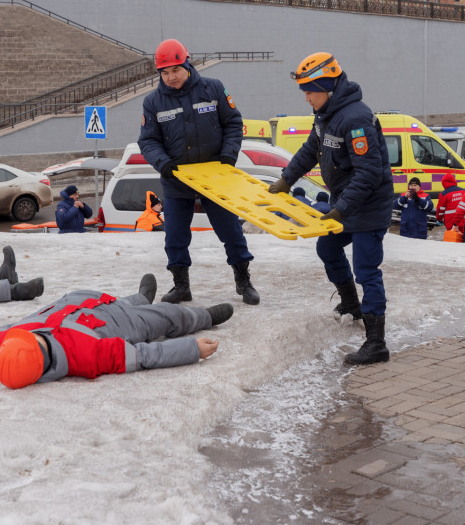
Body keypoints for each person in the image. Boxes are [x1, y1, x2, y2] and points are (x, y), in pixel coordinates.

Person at [267, 52, 394, 365]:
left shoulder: (356, 118)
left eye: (311, 92)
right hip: (346, 203)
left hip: (368, 206)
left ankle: (376, 342)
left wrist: (340, 210)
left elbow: (369, 173)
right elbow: (312, 149)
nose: (307, 98)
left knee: (367, 269)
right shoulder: (325, 115)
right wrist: (286, 179)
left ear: (329, 88)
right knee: (328, 248)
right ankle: (351, 304)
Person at [138, 38, 258, 306]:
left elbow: (233, 123)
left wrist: (229, 156)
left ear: (187, 65)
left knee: (230, 232)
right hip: (177, 179)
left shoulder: (212, 89)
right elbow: (148, 141)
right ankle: (181, 287)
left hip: (216, 178)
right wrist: (164, 164)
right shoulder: (153, 102)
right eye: (164, 72)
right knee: (175, 236)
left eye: (175, 71)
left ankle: (243, 281)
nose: (170, 77)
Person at [0, 274, 233, 388]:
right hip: (128, 322)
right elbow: (143, 355)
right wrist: (192, 349)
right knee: (169, 314)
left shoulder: (0, 346)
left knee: (123, 301)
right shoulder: (86, 356)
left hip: (86, 302)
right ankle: (206, 316)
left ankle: (142, 297)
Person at [436, 172, 465, 239]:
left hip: (450, 222)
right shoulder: (464, 191)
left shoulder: (444, 194)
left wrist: (438, 219)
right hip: (464, 221)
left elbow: (440, 210)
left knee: (452, 240)